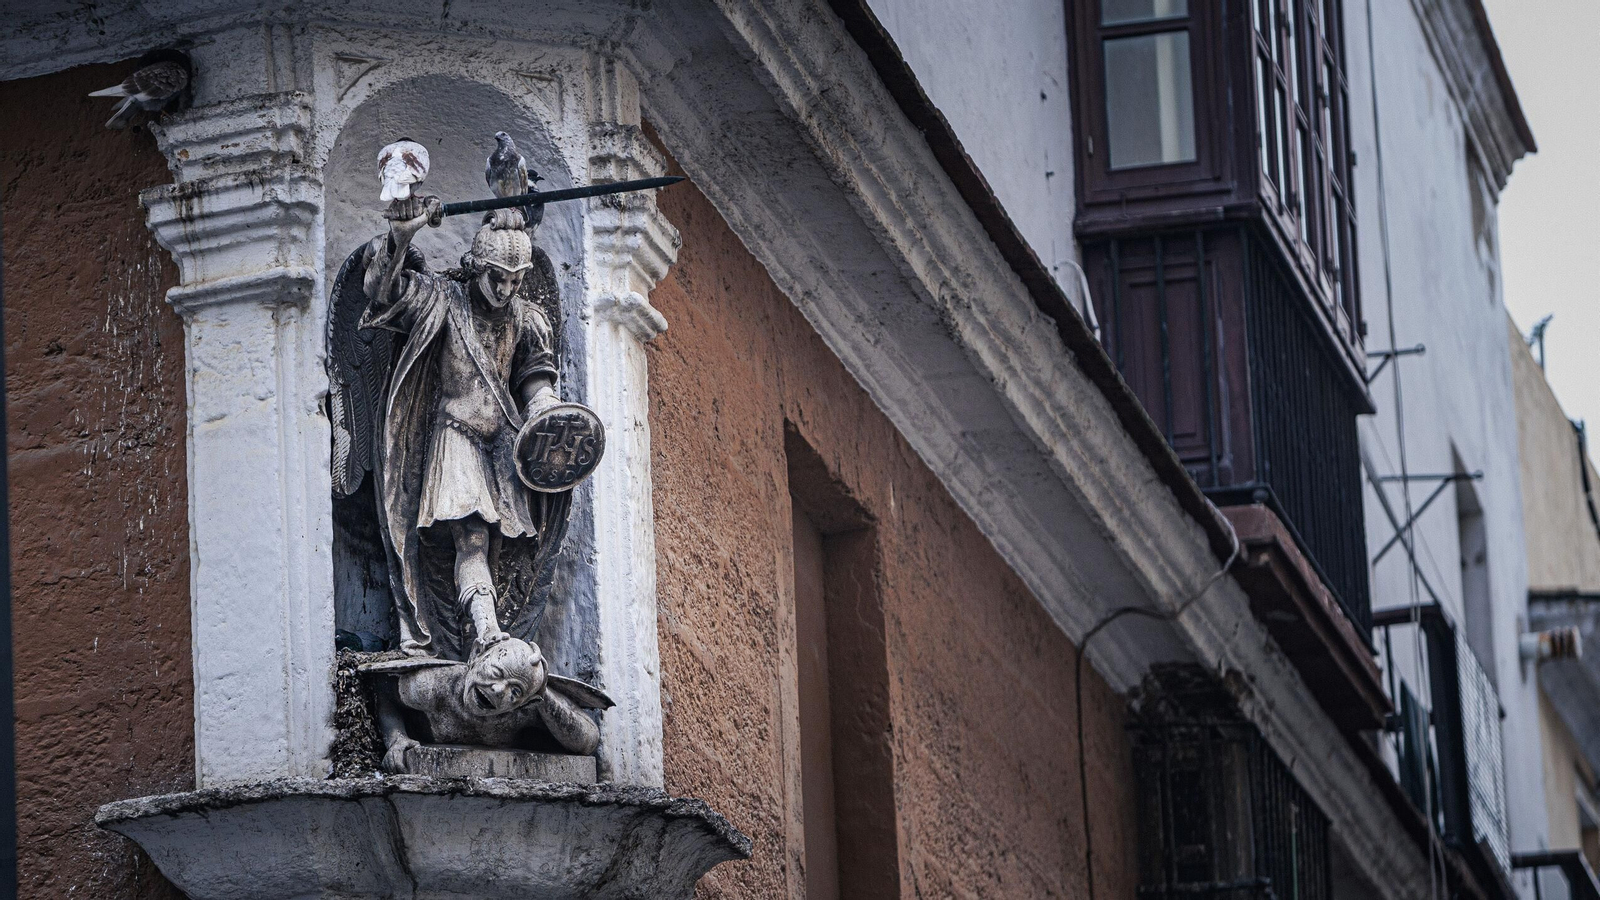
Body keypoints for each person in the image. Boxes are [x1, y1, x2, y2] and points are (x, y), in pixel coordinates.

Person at [359, 197, 569, 660]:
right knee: (471, 537)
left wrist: (547, 413)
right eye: (498, 277)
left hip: (504, 449)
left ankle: (474, 640)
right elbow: (381, 292)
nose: (506, 288)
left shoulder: (528, 319)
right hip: (455, 437)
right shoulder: (441, 299)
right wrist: (401, 236)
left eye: (516, 280)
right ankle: (488, 634)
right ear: (477, 266)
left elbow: (536, 383)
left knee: (498, 551)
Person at [368, 638, 613, 772]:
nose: (498, 690)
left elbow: (588, 741)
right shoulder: (434, 686)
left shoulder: (522, 711)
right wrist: (396, 738)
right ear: (476, 656)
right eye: (496, 672)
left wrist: (541, 695)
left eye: (514, 691)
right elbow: (384, 691)